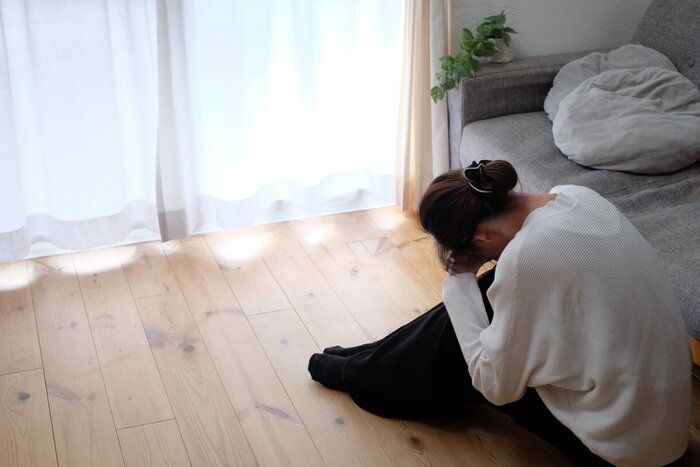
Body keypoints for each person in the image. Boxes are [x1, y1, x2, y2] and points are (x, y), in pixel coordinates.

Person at [308, 160, 692, 465]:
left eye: (471, 251)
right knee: (486, 294)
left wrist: (460, 278)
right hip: (661, 428)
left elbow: (494, 386)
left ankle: (362, 372)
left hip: (621, 451)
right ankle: (371, 359)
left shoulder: (529, 255)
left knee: (461, 343)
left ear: (480, 237)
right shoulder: (575, 196)